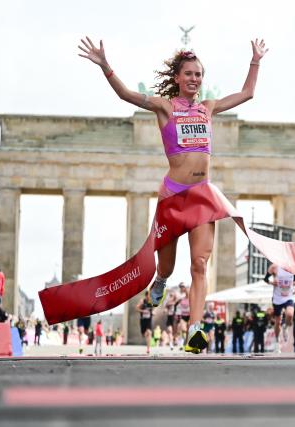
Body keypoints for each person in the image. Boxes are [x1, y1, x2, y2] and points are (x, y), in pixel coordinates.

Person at [79, 36, 268, 354]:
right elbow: (126, 95)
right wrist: (105, 65)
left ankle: (195, 331)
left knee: (199, 264)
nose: (194, 79)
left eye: (199, 75)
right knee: (165, 266)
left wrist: (256, 61)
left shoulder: (208, 108)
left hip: (202, 196)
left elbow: (248, 93)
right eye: (189, 74)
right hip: (173, 196)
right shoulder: (165, 107)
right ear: (178, 78)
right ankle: (162, 283)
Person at [264, 263, 295, 353]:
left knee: (290, 314)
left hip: (288, 296)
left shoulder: (292, 266)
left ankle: (285, 327)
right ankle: (277, 343)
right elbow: (265, 279)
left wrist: (294, 285)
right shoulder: (274, 267)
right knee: (277, 322)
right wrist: (271, 282)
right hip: (277, 298)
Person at [136, 290, 154, 354]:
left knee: (149, 333)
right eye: (148, 296)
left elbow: (155, 308)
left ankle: (148, 349)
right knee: (144, 334)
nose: (149, 297)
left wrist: (154, 312)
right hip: (143, 319)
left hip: (149, 319)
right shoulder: (142, 301)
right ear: (146, 296)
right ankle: (144, 334)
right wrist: (142, 311)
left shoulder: (152, 301)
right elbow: (137, 308)